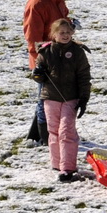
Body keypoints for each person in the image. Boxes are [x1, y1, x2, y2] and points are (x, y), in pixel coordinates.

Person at [33, 18, 91, 182]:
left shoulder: (78, 52)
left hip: (70, 98)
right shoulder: (46, 52)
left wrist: (84, 98)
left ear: (72, 33)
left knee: (66, 132)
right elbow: (39, 74)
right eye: (61, 33)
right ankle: (57, 163)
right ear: (54, 34)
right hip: (50, 97)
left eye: (68, 33)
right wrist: (38, 75)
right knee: (53, 130)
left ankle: (68, 167)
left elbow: (84, 76)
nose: (65, 36)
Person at [23, 0, 70, 144]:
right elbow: (32, 38)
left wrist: (69, 26)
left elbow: (60, 22)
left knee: (56, 98)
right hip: (45, 59)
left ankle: (47, 134)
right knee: (45, 99)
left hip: (59, 56)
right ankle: (44, 137)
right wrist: (41, 62)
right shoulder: (37, 3)